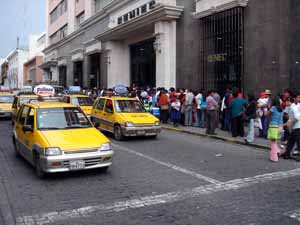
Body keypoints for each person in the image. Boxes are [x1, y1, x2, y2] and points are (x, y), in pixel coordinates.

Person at [282, 93, 300, 160]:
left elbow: (297, 118)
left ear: (289, 101)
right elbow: (290, 119)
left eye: (286, 101)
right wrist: (283, 125)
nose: (285, 103)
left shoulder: (293, 107)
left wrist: (290, 124)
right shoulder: (291, 107)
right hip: (295, 127)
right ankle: (287, 154)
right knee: (290, 141)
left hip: (297, 127)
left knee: (298, 142)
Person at [267, 97, 284, 162]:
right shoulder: (281, 109)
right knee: (275, 141)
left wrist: (268, 109)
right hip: (280, 127)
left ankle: (274, 158)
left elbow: (266, 114)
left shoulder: (273, 108)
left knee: (273, 142)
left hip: (274, 126)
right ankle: (278, 151)